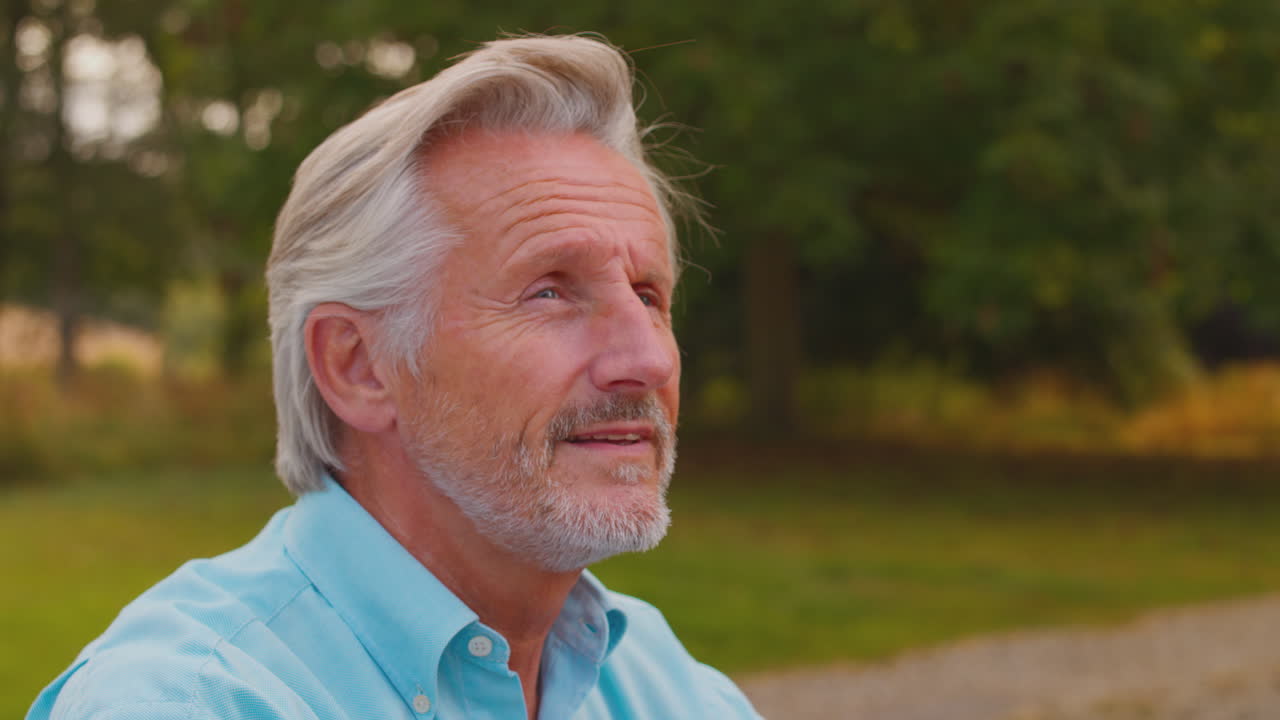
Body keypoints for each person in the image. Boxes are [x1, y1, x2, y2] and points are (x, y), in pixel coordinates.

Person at [27, 34, 762, 720]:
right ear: (358, 367)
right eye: (550, 291)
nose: (650, 359)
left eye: (648, 294)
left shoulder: (660, 683)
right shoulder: (194, 700)